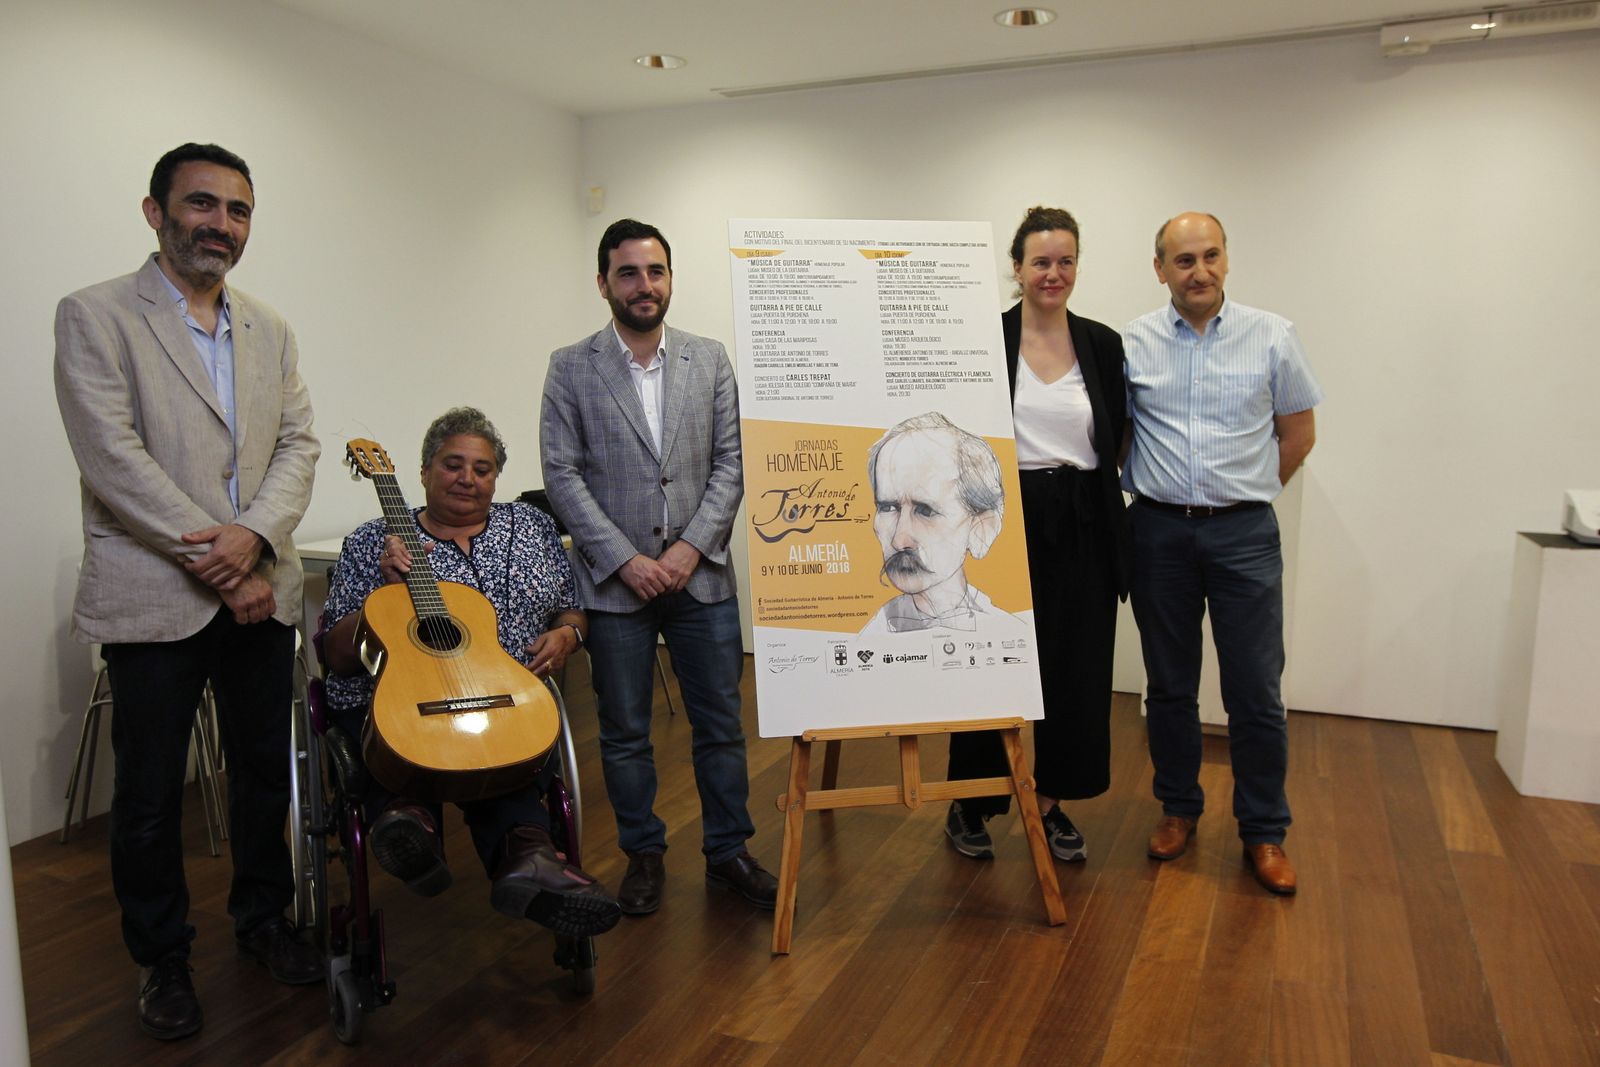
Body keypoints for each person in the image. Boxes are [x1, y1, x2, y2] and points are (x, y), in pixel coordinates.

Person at [53, 143, 321, 1040]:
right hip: (157, 597)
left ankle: (264, 922)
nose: (222, 224)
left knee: (259, 774)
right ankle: (161, 959)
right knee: (150, 792)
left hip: (258, 598)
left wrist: (255, 549)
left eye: (238, 210)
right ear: (154, 210)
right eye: (203, 204)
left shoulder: (270, 328)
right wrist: (226, 557)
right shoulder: (95, 316)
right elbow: (112, 458)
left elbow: (299, 448)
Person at [540, 218, 776, 915]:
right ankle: (643, 852)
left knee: (721, 723)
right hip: (617, 589)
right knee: (623, 730)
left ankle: (728, 848)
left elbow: (732, 464)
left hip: (700, 578)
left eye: (656, 271)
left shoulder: (709, 359)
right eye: (630, 273)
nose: (645, 286)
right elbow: (562, 474)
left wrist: (687, 548)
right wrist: (626, 560)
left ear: (670, 277)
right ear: (604, 282)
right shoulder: (571, 366)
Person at [321, 407, 621, 937]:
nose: (467, 478)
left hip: (502, 697)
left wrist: (570, 634)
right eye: (452, 464)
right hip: (399, 700)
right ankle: (410, 825)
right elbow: (336, 655)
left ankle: (528, 857)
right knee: (402, 745)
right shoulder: (373, 541)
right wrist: (383, 596)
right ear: (422, 471)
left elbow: (570, 608)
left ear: (496, 478)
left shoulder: (530, 526)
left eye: (482, 469)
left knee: (502, 745)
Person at [1122, 212, 1321, 895]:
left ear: (1227, 260)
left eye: (1209, 256)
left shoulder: (1273, 335)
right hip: (1159, 534)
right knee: (1170, 686)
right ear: (1160, 270)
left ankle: (1264, 829)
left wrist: (1244, 496)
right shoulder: (1134, 343)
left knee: (1256, 692)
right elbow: (1120, 439)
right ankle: (1178, 808)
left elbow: (1298, 434)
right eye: (1183, 260)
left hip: (1243, 534)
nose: (1198, 270)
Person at [943, 207, 1131, 865]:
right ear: (1017, 268)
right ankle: (971, 800)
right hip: (1003, 513)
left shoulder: (1102, 344)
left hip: (1083, 516)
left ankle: (1052, 801)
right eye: (1041, 261)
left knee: (1075, 665)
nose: (1055, 273)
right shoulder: (984, 339)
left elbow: (1118, 435)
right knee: (989, 656)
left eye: (1066, 260)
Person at [860, 412, 1023, 636]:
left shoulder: (1011, 634)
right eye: (888, 507)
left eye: (925, 511)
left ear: (982, 527)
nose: (900, 540)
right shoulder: (869, 638)